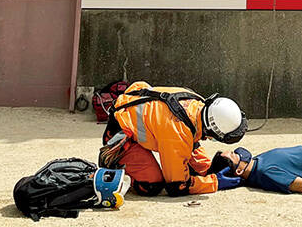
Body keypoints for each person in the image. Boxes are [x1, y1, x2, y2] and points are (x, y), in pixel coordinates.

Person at [103, 82, 248, 197]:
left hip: (133, 105)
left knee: (201, 167)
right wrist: (214, 182)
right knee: (151, 185)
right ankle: (114, 162)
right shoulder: (177, 134)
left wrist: (208, 171)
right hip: (121, 132)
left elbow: (191, 137)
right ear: (213, 133)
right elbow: (177, 186)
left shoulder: (197, 102)